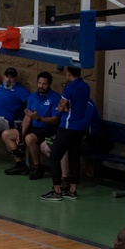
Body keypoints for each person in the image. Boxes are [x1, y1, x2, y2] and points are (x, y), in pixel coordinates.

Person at [40, 67, 91, 201]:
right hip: (80, 127)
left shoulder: (70, 87)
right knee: (74, 157)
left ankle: (57, 190)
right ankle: (73, 190)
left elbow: (61, 106)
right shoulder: (86, 86)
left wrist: (60, 107)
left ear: (68, 73)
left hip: (68, 126)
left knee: (54, 157)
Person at [2, 71, 61, 177]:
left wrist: (38, 119)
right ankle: (20, 164)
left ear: (49, 85)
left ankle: (37, 167)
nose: (41, 86)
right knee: (6, 134)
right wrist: (21, 135)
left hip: (48, 129)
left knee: (29, 138)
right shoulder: (32, 97)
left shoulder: (55, 98)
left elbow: (55, 120)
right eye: (39, 83)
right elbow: (27, 118)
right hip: (33, 127)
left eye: (44, 84)